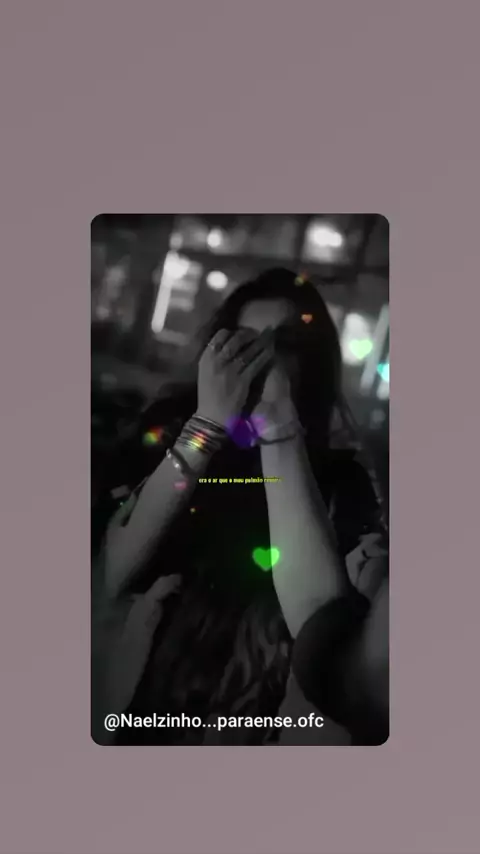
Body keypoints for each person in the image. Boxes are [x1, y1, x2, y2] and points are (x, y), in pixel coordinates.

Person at [91, 268, 389, 746]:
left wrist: (277, 426)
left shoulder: (337, 482)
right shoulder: (171, 433)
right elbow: (108, 571)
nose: (263, 359)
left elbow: (327, 627)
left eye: (284, 343)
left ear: (312, 362)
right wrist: (206, 426)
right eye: (244, 343)